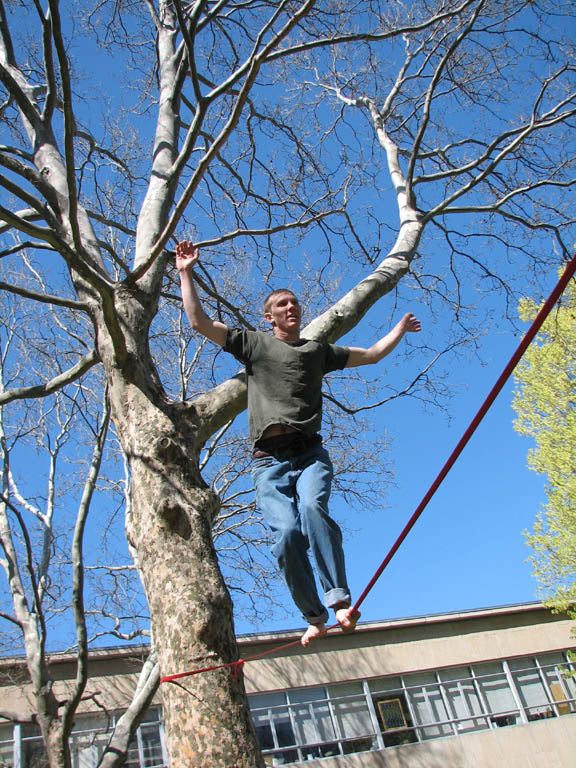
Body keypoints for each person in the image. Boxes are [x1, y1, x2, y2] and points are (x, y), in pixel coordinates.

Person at [176, 241, 422, 646]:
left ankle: (339, 600)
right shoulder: (254, 344)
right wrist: (186, 272)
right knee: (287, 534)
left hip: (309, 455)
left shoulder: (317, 352)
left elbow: (373, 354)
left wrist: (398, 329)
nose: (292, 308)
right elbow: (200, 322)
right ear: (268, 316)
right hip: (267, 463)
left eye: (295, 303)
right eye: (283, 304)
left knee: (312, 509)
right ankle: (313, 614)